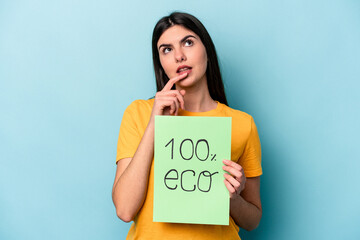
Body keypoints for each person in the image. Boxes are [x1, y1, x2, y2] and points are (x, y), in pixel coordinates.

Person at [112, 12, 263, 240]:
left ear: (207, 51)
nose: (179, 56)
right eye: (167, 49)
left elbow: (252, 220)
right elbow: (124, 210)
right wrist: (155, 124)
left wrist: (232, 199)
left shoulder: (242, 124)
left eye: (188, 42)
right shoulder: (139, 113)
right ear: (161, 63)